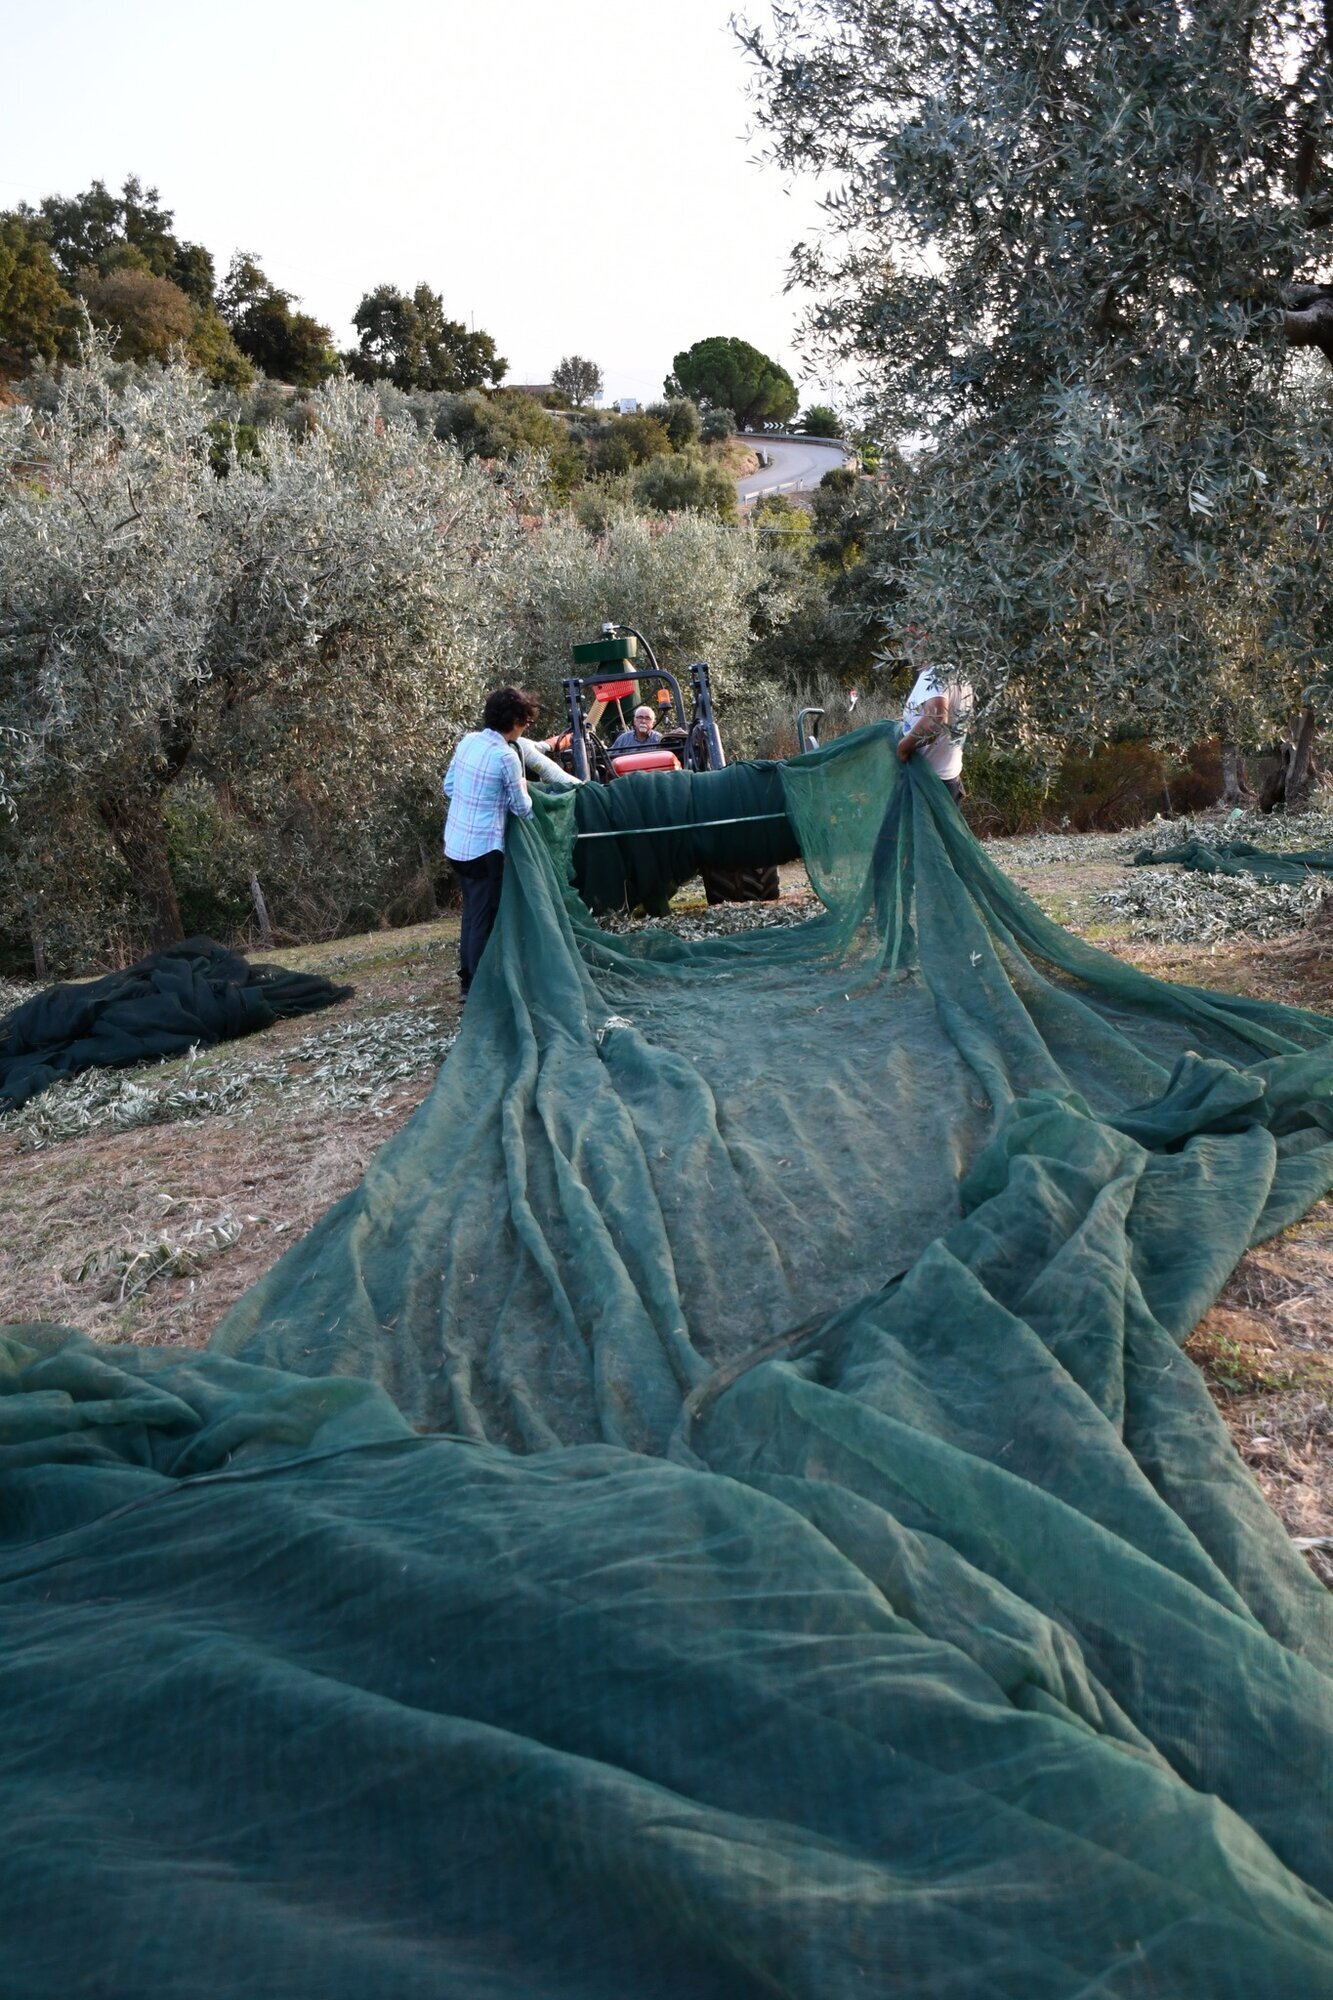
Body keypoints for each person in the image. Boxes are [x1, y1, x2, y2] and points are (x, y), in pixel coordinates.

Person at [443, 685, 541, 999]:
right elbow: (521, 807)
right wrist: (525, 788)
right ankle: (476, 986)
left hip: (456, 844)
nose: (526, 726)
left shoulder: (469, 741)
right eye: (525, 720)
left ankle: (467, 976)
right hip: (484, 850)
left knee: (472, 912)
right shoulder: (505, 757)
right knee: (483, 917)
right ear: (514, 721)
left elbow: (449, 787)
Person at [897, 650, 974, 803]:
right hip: (949, 782)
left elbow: (935, 720)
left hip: (925, 784)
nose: (907, 631)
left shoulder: (933, 675)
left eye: (913, 627)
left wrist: (903, 748)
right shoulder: (959, 673)